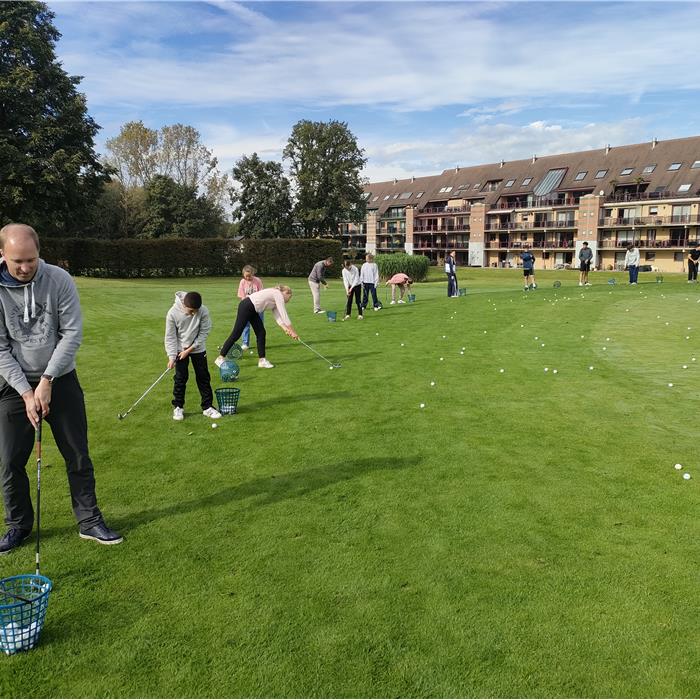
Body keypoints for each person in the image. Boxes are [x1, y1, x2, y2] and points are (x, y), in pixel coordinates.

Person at [0, 223, 122, 553]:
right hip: (14, 385)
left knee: (77, 453)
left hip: (61, 379)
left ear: (40, 254)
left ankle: (89, 520)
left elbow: (72, 334)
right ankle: (18, 525)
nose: (25, 268)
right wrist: (27, 392)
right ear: (3, 255)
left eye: (31, 260)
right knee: (10, 462)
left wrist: (48, 380)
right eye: (17, 262)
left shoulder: (59, 280)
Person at [165, 291, 221, 422]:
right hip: (180, 349)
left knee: (203, 376)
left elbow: (204, 332)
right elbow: (170, 337)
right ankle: (178, 406)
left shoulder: (203, 310)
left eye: (196, 311)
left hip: (198, 348)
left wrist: (189, 349)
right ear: (184, 305)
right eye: (191, 311)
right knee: (180, 378)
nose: (194, 313)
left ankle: (207, 407)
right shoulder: (172, 313)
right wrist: (171, 356)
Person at [216, 286, 299, 369]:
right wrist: (293, 331)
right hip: (247, 306)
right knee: (236, 333)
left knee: (261, 333)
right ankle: (220, 358)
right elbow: (284, 314)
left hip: (252, 309)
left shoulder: (276, 298)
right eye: (289, 297)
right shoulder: (278, 294)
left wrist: (285, 329)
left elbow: (277, 316)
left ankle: (262, 360)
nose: (289, 300)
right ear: (286, 293)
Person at [237, 265, 264, 350]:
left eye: (249, 276)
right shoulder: (242, 282)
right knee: (246, 325)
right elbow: (242, 295)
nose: (248, 278)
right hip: (247, 307)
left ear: (253, 273)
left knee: (259, 326)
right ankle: (245, 343)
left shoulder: (258, 281)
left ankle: (260, 342)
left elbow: (261, 294)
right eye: (246, 276)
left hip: (258, 306)